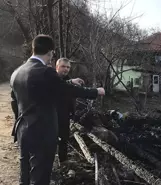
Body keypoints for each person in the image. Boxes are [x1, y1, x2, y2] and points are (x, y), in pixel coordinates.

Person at [10, 34, 105, 185]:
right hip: (42, 132)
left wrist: (19, 123)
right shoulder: (45, 72)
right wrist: (95, 92)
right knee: (40, 176)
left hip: (23, 131)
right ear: (50, 52)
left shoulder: (17, 73)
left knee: (25, 175)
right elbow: (66, 90)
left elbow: (14, 102)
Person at [55, 58, 76, 164]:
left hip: (65, 115)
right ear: (57, 67)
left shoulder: (69, 79)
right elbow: (59, 86)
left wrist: (72, 112)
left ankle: (63, 161)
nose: (66, 69)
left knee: (64, 139)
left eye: (68, 67)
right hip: (52, 115)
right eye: (63, 66)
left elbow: (71, 97)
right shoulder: (52, 79)